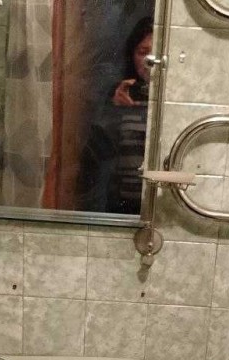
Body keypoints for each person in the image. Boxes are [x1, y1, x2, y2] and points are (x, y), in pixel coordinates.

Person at [78, 17, 154, 215]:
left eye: (155, 53)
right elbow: (95, 150)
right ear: (132, 55)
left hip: (158, 200)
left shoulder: (176, 102)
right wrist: (114, 110)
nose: (149, 61)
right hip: (119, 203)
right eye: (143, 52)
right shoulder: (118, 93)